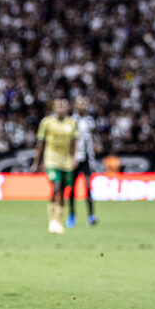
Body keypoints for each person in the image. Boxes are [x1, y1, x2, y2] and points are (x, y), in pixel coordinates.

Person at [30, 97, 77, 234]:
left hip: (66, 162)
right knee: (56, 186)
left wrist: (74, 158)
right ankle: (52, 220)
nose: (61, 109)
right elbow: (40, 143)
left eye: (63, 106)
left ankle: (59, 220)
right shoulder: (47, 122)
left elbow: (74, 143)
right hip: (51, 160)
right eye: (58, 106)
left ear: (67, 108)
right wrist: (36, 163)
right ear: (54, 108)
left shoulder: (72, 123)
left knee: (62, 191)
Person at [67, 95, 98, 227]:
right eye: (80, 103)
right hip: (74, 159)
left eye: (85, 103)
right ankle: (72, 215)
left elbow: (92, 139)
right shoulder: (71, 120)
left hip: (86, 158)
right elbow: (69, 141)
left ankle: (91, 215)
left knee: (88, 187)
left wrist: (93, 156)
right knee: (72, 188)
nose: (83, 105)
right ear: (75, 105)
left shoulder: (90, 120)